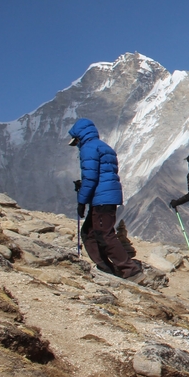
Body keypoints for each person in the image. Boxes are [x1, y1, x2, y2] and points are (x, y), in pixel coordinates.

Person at [68, 118, 143, 281]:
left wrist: (82, 201)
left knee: (104, 234)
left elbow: (91, 177)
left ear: (80, 137)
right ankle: (108, 268)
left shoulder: (88, 148)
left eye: (76, 142)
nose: (77, 146)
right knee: (90, 232)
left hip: (100, 198)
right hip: (109, 195)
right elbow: (104, 173)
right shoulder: (104, 147)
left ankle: (128, 270)